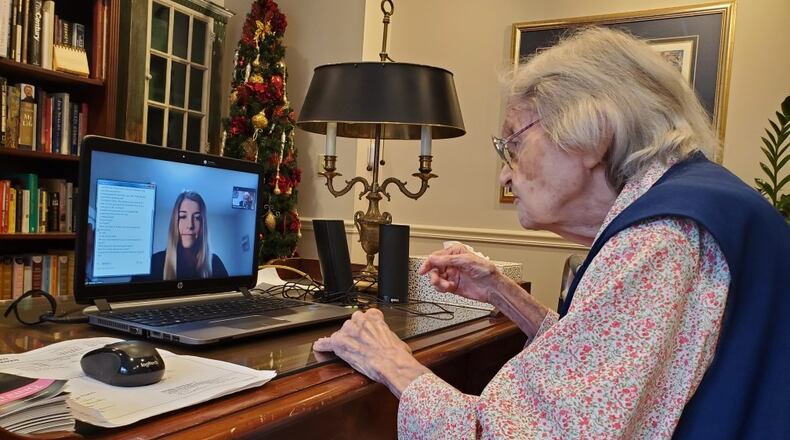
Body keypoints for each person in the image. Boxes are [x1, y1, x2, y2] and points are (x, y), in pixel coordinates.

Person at [312, 27, 790, 439]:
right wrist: (501, 291)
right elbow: (608, 368)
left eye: (513, 143)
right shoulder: (690, 205)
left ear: (593, 133)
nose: (505, 174)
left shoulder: (659, 240)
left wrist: (391, 360)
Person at [146, 191, 228, 280]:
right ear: (175, 222)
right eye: (183, 216)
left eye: (197, 218)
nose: (190, 225)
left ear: (203, 225)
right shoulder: (153, 262)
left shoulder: (215, 263)